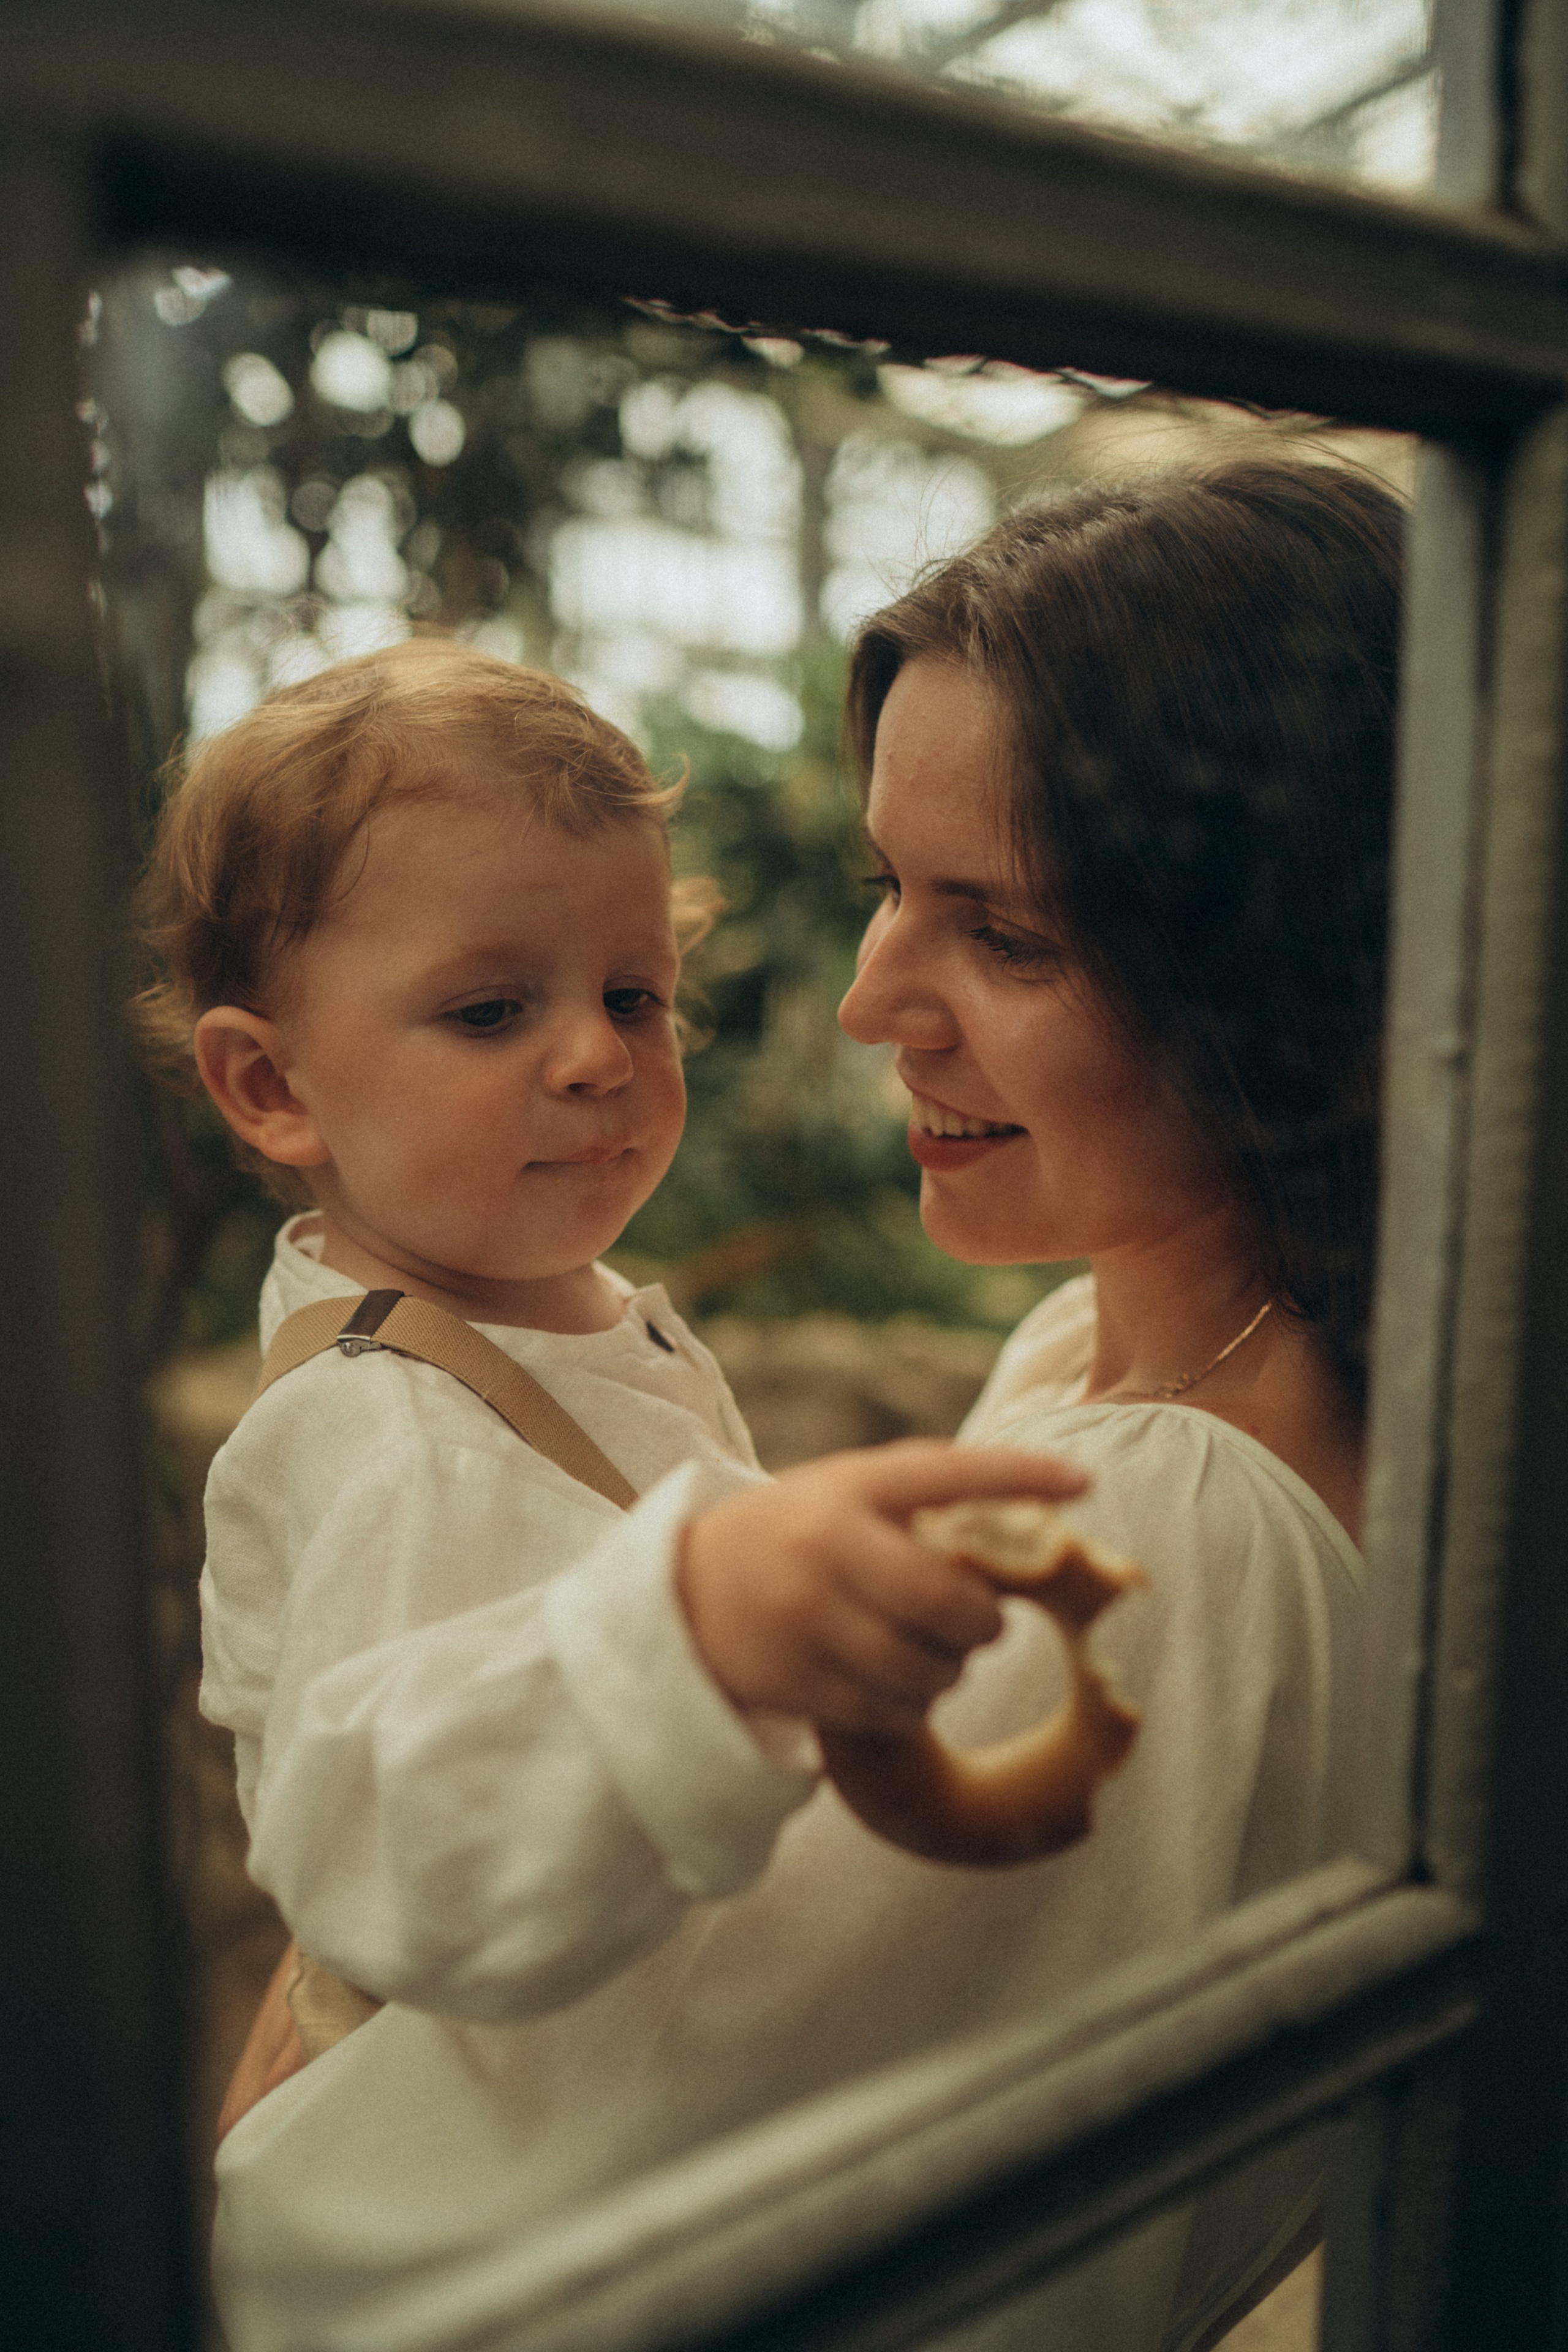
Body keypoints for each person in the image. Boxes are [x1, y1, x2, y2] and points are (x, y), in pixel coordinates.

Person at [193, 455, 1395, 2352]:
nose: (865, 1000)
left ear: (1279, 983)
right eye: (889, 889)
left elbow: (576, 2204)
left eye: (1005, 933)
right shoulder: (1102, 1365)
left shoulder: (1148, 1538)